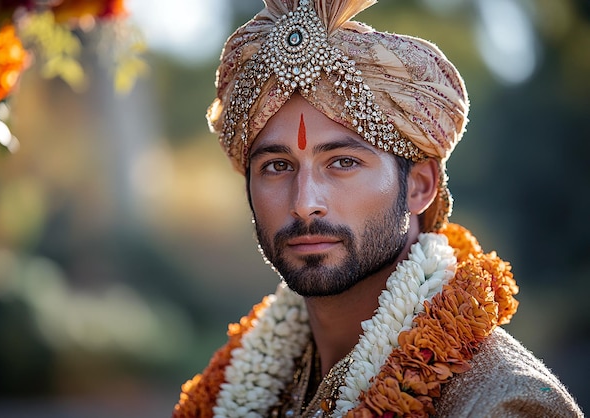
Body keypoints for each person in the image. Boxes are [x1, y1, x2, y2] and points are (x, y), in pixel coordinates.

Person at [173, 0, 584, 416]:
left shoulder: (502, 404)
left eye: (342, 163)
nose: (304, 204)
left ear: (419, 187)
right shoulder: (242, 387)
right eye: (276, 167)